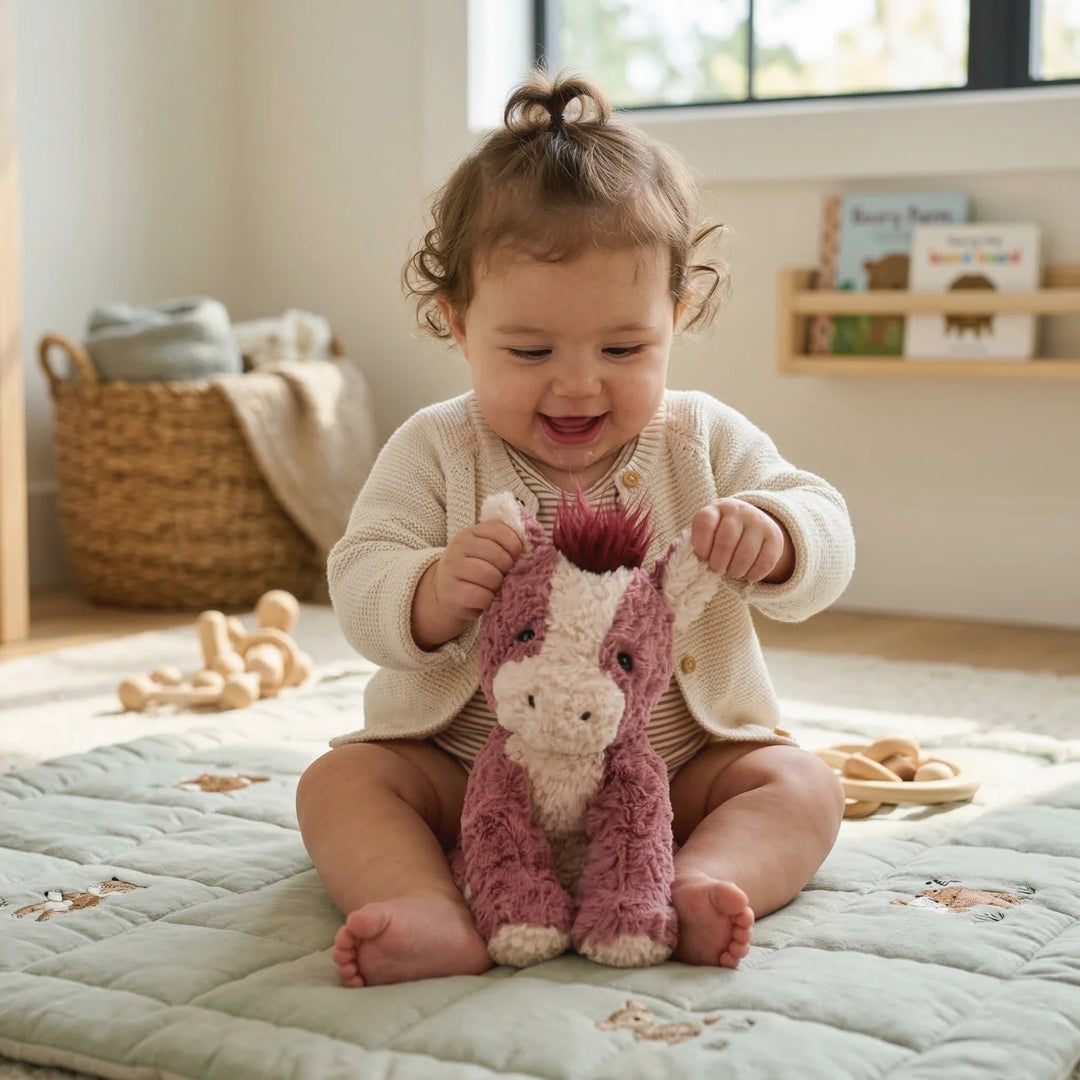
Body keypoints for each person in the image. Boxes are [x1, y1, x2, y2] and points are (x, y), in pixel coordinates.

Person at [296, 69, 855, 988]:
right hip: (468, 773)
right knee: (341, 784)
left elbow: (825, 522)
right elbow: (360, 576)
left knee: (804, 787)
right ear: (457, 323)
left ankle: (693, 880)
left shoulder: (703, 436)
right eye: (529, 351)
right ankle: (431, 906)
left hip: (672, 775)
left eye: (625, 349)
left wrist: (781, 532)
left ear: (677, 318)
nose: (579, 384)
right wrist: (428, 592)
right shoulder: (436, 448)